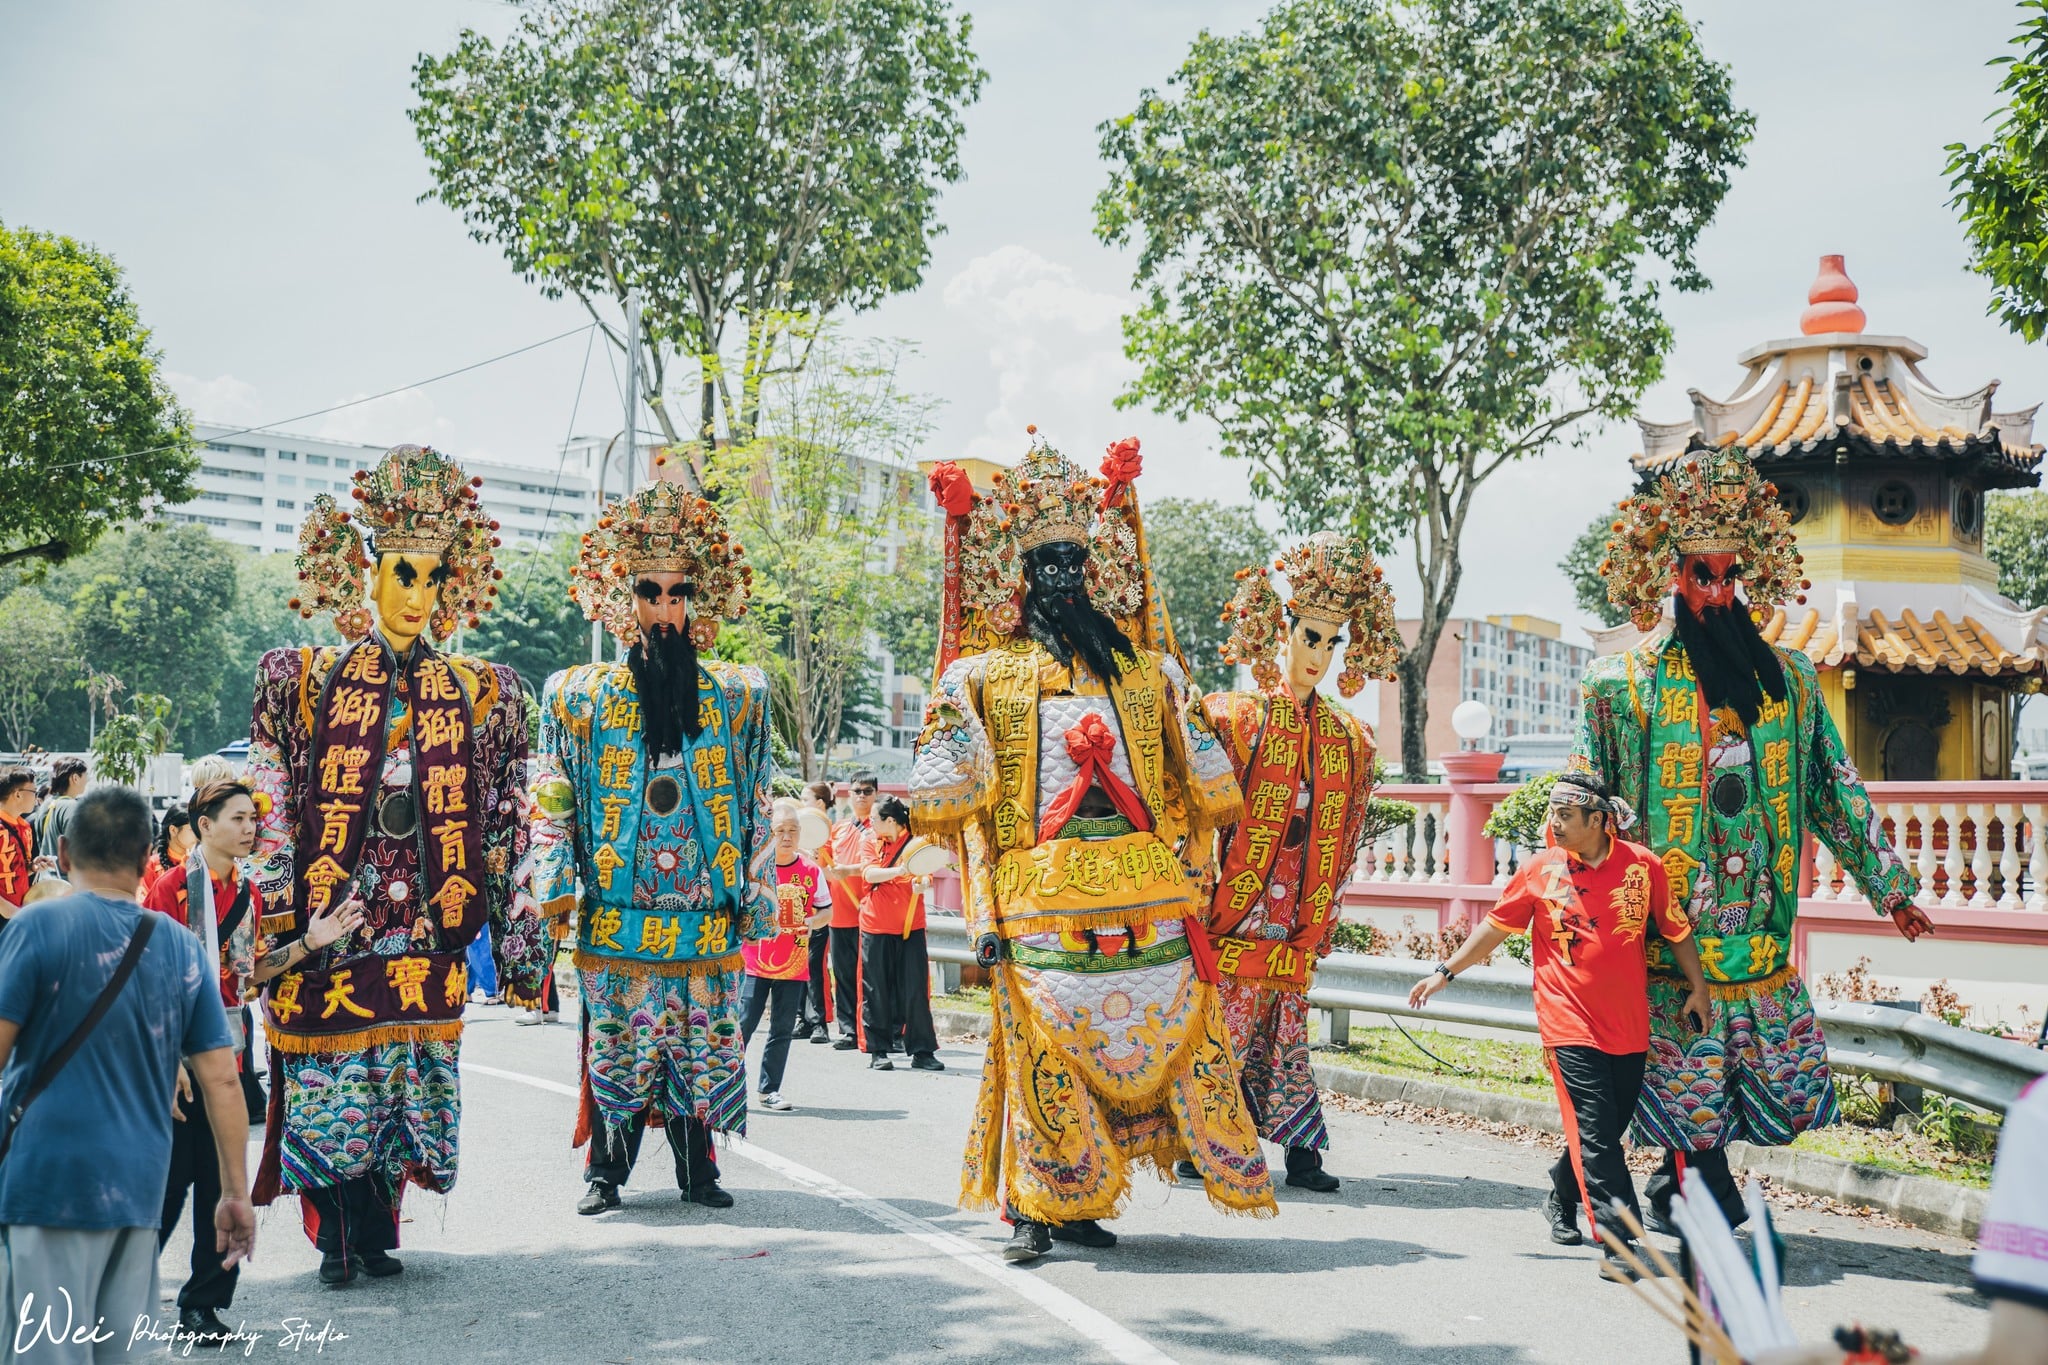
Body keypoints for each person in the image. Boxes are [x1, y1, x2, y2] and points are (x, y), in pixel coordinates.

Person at [914, 435, 1274, 1264]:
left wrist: (1191, 885)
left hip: (1143, 898)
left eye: (1075, 561)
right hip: (1036, 899)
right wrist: (982, 911)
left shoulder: (1144, 673)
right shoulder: (983, 678)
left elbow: (1204, 788)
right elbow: (960, 809)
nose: (1063, 578)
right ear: (1020, 576)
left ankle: (1084, 1199)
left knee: (1143, 1034)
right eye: (1046, 565)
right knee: (1044, 1046)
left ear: (1097, 568)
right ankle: (1036, 1207)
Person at [1577, 447, 1928, 1232]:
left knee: (1738, 1083)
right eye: (1704, 575)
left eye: (1731, 576)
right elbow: (1584, 804)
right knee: (1681, 1076)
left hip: (1759, 929)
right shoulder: (1622, 686)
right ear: (1671, 575)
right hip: (1671, 938)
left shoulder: (1790, 683)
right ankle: (1696, 1186)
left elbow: (1833, 789)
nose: (1720, 592)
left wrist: (1890, 887)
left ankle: (1659, 1181)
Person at [244, 444, 553, 1287]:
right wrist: (277, 918)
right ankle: (335, 1236)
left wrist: (517, 916)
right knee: (331, 1074)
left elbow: (506, 817)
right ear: (368, 574)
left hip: (422, 926)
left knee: (396, 1082)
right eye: (402, 574)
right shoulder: (301, 680)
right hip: (330, 931)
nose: (417, 596)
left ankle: (377, 1229)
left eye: (432, 578)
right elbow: (270, 802)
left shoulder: (481, 694)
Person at [527, 479, 775, 1217]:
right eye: (650, 590)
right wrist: (555, 883)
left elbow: (758, 797)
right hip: (618, 912)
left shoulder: (737, 695)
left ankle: (699, 1169)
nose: (666, 607)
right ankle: (605, 1172)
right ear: (623, 595)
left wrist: (753, 897)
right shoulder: (577, 694)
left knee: (701, 1040)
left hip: (704, 914)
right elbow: (553, 794)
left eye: (678, 591)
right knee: (616, 1042)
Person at [1410, 773, 1710, 1275]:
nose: (1554, 823)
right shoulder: (1539, 869)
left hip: (1629, 1023)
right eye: (1552, 813)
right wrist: (1445, 971)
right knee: (1597, 1134)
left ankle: (1559, 1191)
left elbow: (1676, 929)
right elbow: (1494, 928)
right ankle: (1621, 1245)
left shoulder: (1643, 867)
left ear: (1598, 819)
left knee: (1606, 1131)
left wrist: (1698, 988)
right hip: (1566, 1020)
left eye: (1565, 815)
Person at [0, 786, 257, 1362]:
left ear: (63, 854)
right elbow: (223, 1079)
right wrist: (235, 1194)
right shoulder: (178, 946)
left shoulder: (36, 929)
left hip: (45, 1186)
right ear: (147, 857)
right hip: (136, 1188)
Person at [1182, 532, 1397, 1193]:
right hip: (1236, 909)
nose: (1321, 656)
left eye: (1333, 642)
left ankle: (1301, 1149)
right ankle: (1207, 1139)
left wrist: (1326, 914)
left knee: (1289, 1031)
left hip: (1294, 915)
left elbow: (1352, 830)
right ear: (1281, 631)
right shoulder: (1229, 716)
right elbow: (1194, 815)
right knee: (1230, 1024)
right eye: (1311, 636)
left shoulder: (1346, 737)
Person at [143, 780, 362, 1343]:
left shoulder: (250, 893)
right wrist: (166, 1062)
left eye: (251, 819)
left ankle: (203, 1306)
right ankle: (105, 1288)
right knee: (160, 1188)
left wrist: (311, 943)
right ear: (204, 824)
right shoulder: (171, 890)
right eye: (236, 818)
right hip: (178, 1058)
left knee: (222, 1184)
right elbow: (149, 980)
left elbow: (250, 973)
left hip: (231, 1053)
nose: (248, 829)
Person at [741, 800, 832, 1109]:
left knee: (782, 1029)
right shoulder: (754, 869)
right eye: (780, 830)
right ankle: (725, 1085)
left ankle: (769, 1090)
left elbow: (827, 911)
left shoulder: (811, 870)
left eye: (793, 830)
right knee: (743, 1024)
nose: (787, 836)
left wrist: (811, 921)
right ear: (770, 832)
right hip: (754, 960)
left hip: (793, 963)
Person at [856, 796, 942, 1073]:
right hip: (875, 925)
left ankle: (922, 1050)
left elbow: (928, 873)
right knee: (876, 990)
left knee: (916, 989)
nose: (870, 823)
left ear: (891, 821)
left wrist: (924, 882)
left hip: (910, 925)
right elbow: (869, 875)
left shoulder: (918, 842)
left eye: (875, 818)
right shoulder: (869, 841)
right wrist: (901, 871)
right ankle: (878, 1050)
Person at [822, 773, 878, 1050]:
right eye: (857, 791)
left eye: (867, 791)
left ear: (875, 794)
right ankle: (848, 1031)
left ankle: (870, 1030)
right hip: (841, 914)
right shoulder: (838, 828)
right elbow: (824, 864)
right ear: (849, 794)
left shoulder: (881, 828)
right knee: (843, 976)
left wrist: (849, 871)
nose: (862, 796)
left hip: (872, 915)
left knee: (871, 978)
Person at [794, 780, 836, 1042]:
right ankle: (802, 1018)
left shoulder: (828, 835)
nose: (802, 805)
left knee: (815, 964)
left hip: (819, 908)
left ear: (820, 804)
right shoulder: (796, 834)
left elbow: (828, 869)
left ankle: (819, 1021)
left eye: (806, 799)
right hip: (795, 906)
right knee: (796, 963)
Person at [0, 767, 38, 924]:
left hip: (19, 913)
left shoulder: (25, 827)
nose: (36, 797)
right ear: (18, 794)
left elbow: (12, 872)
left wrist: (33, 867)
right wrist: (6, 908)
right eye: (33, 792)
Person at [32, 757, 86, 865]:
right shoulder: (72, 807)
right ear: (75, 778)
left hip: (46, 877)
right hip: (66, 879)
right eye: (86, 776)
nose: (87, 780)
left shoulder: (45, 804)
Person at [145, 802, 194, 885]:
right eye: (192, 830)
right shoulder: (152, 865)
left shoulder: (197, 864)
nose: (197, 834)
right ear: (173, 830)